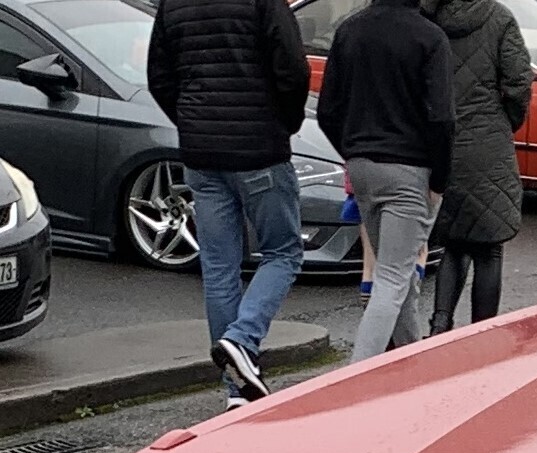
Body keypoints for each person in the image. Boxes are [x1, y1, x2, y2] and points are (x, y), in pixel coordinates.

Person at [146, 0, 309, 409]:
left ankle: (237, 388)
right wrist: (285, 123)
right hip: (260, 148)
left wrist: (192, 121)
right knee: (283, 253)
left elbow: (160, 77)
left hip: (202, 152)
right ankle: (242, 339)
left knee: (220, 268)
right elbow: (293, 69)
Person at [318, 0, 455, 363]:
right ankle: (354, 379)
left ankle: (412, 364)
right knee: (392, 278)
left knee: (397, 272)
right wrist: (440, 178)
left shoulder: (349, 30)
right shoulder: (430, 37)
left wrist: (352, 150)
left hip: (362, 167)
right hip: (410, 169)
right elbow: (442, 118)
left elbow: (327, 109)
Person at [422, 0, 532, 336]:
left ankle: (440, 325)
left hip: (443, 141)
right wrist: (504, 122)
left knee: (453, 243)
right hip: (488, 141)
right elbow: (518, 82)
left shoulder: (428, 17)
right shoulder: (498, 18)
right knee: (489, 246)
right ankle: (481, 332)